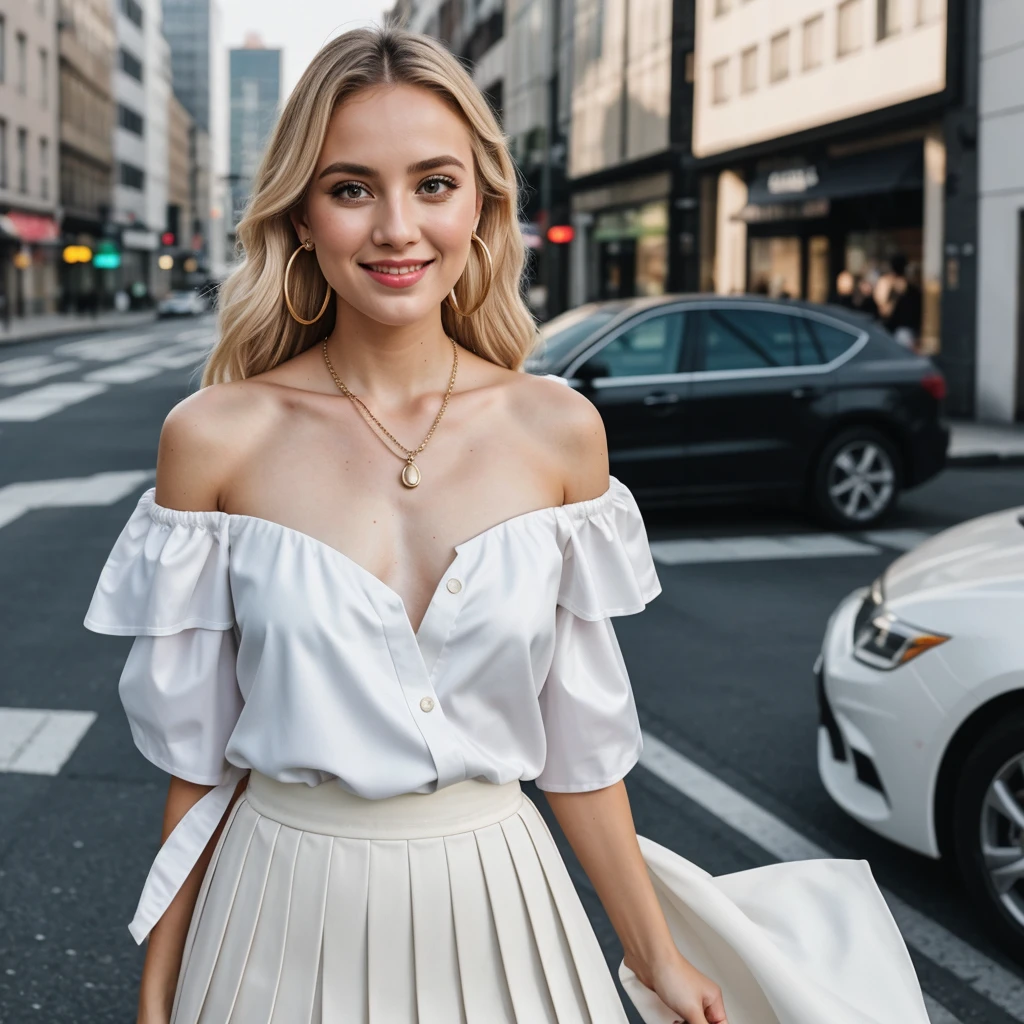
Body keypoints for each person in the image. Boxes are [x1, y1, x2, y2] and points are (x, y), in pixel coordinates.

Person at [84, 26, 929, 1024]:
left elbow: (580, 750)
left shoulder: (557, 433)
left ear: (482, 204)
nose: (397, 227)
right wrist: (155, 998)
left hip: (500, 907)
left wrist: (656, 954)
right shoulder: (215, 437)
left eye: (433, 184)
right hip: (275, 911)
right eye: (351, 187)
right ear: (302, 217)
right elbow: (197, 766)